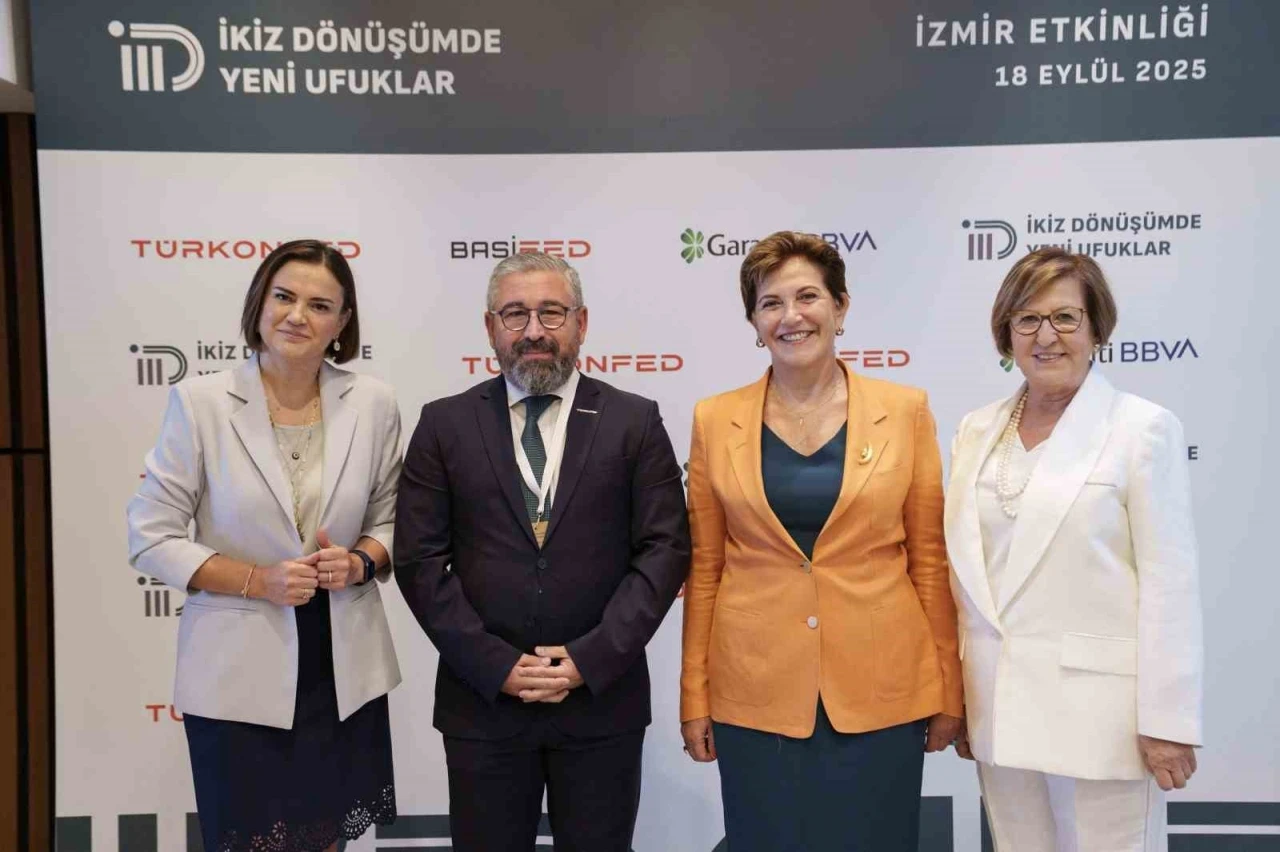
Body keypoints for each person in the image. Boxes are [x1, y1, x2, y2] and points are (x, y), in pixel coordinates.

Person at [393, 251, 690, 852]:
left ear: (582, 323)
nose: (533, 330)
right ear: (490, 327)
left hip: (601, 703)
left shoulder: (634, 421)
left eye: (551, 313)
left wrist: (591, 658)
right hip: (484, 706)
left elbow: (664, 549)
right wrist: (495, 665)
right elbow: (418, 561)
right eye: (515, 314)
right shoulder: (444, 424)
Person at [679, 231, 964, 851]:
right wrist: (694, 693)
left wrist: (948, 685)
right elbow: (705, 568)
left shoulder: (906, 410)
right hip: (754, 691)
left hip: (882, 690)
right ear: (755, 322)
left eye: (807, 296)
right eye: (771, 303)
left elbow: (929, 561)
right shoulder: (713, 419)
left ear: (840, 306)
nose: (791, 316)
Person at [127, 240, 403, 852]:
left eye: (319, 305)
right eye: (284, 297)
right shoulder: (200, 403)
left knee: (326, 838)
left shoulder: (375, 403)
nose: (297, 316)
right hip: (236, 673)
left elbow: (392, 519)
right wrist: (259, 581)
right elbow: (150, 535)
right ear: (259, 303)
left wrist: (360, 561)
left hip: (341, 664)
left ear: (342, 322)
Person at [945, 247, 1203, 851]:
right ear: (1007, 333)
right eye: (1027, 319)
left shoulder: (1142, 429)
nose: (1046, 336)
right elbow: (970, 577)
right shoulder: (974, 431)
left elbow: (1170, 582)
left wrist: (1168, 719)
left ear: (1096, 328)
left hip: (1104, 720)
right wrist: (960, 696)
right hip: (998, 710)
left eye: (1065, 317)